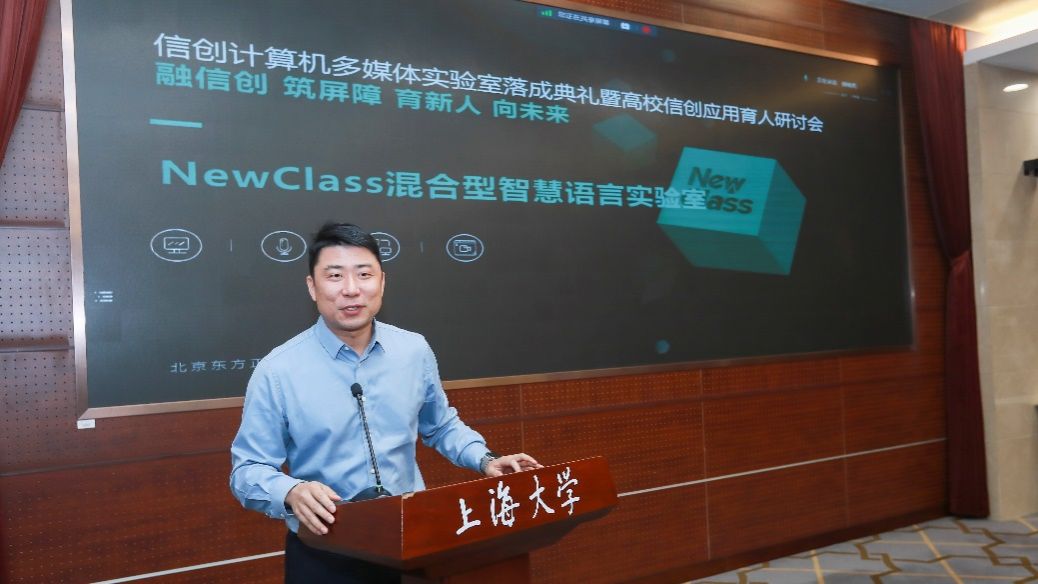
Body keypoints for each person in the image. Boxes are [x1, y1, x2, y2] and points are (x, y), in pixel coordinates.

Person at [230, 222, 541, 583]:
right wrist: (292, 491)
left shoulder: (413, 350)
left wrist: (485, 459)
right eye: (335, 275)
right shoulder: (278, 370)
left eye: (364, 274)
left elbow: (441, 425)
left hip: (413, 541)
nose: (351, 289)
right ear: (312, 287)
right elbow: (247, 470)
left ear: (382, 282)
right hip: (326, 551)